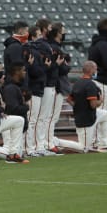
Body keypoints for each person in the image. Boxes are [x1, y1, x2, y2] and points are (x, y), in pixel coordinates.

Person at [54, 61, 107, 153]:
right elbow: (93, 104)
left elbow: (69, 99)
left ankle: (104, 145)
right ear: (91, 70)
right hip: (86, 120)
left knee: (106, 114)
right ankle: (56, 141)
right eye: (95, 69)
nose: (96, 71)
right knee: (83, 148)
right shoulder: (90, 84)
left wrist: (78, 107)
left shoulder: (77, 83)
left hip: (85, 115)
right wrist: (101, 101)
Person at [35, 18, 64, 156]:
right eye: (49, 27)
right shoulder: (41, 44)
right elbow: (46, 66)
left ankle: (43, 143)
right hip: (45, 84)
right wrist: (57, 64)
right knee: (42, 117)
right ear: (44, 29)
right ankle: (43, 144)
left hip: (49, 84)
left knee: (44, 117)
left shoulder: (46, 44)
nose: (51, 29)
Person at [24, 26, 51, 157]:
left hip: (37, 88)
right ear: (33, 36)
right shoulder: (30, 50)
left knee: (35, 119)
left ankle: (34, 147)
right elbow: (35, 72)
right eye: (39, 34)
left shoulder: (35, 50)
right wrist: (45, 67)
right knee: (32, 119)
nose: (41, 36)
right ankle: (29, 148)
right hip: (33, 89)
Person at [45, 22, 71, 154]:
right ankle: (48, 143)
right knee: (51, 117)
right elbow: (63, 69)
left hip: (53, 85)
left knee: (49, 117)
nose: (64, 34)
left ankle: (48, 141)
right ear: (57, 33)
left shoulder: (53, 46)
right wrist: (66, 65)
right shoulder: (54, 47)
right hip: (55, 86)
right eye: (63, 32)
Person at [1, 62, 31, 159]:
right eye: (23, 70)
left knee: (17, 154)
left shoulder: (15, 86)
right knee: (9, 153)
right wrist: (26, 107)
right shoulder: (11, 88)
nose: (25, 73)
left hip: (15, 128)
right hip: (11, 128)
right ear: (17, 72)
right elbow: (12, 109)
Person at [88, 18, 107, 110]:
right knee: (102, 113)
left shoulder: (94, 44)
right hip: (102, 82)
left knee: (98, 113)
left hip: (96, 80)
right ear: (106, 29)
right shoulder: (103, 44)